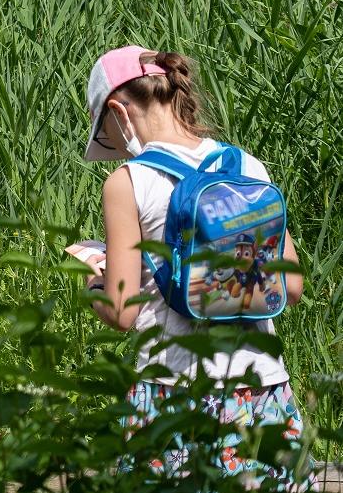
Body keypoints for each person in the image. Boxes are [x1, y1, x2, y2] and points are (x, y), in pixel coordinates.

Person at [77, 45, 309, 488]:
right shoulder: (247, 167)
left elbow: (122, 312)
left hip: (174, 395)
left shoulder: (128, 182)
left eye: (105, 132)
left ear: (117, 112)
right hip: (263, 394)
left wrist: (94, 280)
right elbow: (292, 286)